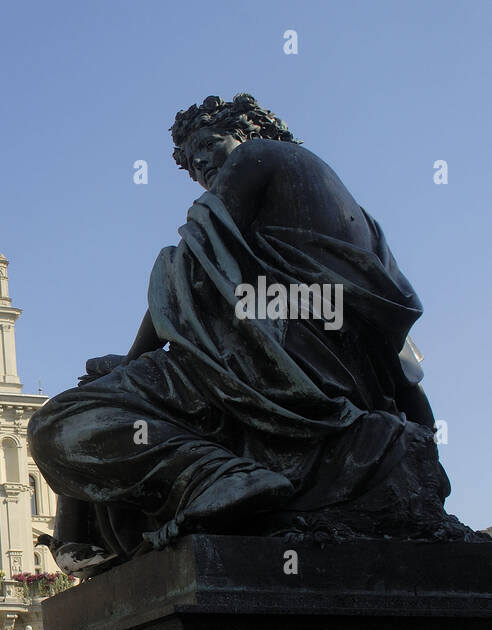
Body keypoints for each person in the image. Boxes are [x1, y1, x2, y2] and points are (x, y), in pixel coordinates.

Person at [29, 93, 472, 576]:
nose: (199, 166)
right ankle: (188, 493)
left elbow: (191, 262)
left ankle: (215, 477)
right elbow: (399, 351)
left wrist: (136, 357)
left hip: (280, 365)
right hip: (320, 372)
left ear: (247, 131)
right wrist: (415, 426)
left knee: (62, 419)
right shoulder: (354, 215)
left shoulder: (261, 155)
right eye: (190, 166)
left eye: (206, 144)